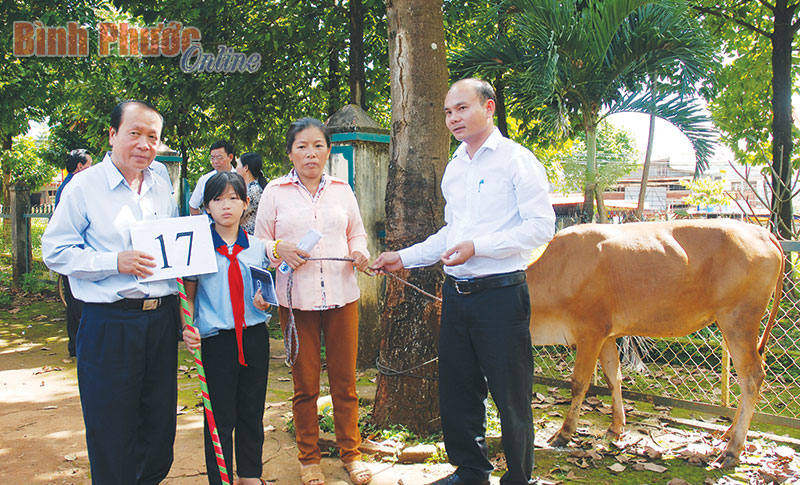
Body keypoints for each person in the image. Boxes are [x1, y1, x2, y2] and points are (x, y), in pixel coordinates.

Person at [372, 78, 556, 485]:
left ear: (489, 108)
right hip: (456, 295)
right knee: (458, 389)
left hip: (501, 296)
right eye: (448, 112)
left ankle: (518, 478)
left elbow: (543, 226)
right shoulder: (456, 168)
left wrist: (480, 246)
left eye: (462, 108)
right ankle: (471, 473)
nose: (453, 118)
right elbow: (450, 234)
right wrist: (401, 258)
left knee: (511, 396)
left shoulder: (516, 160)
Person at [42, 100, 180, 484]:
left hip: (161, 320)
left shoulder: (160, 183)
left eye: (152, 137)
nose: (143, 144)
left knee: (158, 429)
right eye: (134, 133)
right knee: (111, 428)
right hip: (110, 323)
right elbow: (54, 250)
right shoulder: (84, 187)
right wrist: (112, 262)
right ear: (113, 134)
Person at [254, 117, 373, 485]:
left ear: (328, 150)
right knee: (305, 385)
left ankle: (351, 454)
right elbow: (258, 247)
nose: (310, 153)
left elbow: (357, 233)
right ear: (290, 152)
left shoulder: (342, 189)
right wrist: (279, 249)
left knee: (345, 382)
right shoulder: (274, 191)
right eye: (302, 146)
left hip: (342, 296)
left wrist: (360, 253)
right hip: (296, 301)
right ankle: (309, 459)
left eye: (318, 145)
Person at [182, 171, 273, 485]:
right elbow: (188, 298)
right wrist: (187, 327)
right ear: (207, 206)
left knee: (251, 409)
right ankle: (220, 478)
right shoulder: (196, 248)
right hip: (217, 340)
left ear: (246, 204)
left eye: (234, 198)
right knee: (219, 416)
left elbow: (264, 294)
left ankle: (250, 474)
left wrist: (265, 304)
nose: (226, 206)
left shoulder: (257, 248)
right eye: (218, 199)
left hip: (254, 337)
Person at [54, 148, 93, 357]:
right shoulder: (74, 187)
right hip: (76, 256)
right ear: (80, 167)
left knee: (74, 305)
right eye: (89, 165)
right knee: (78, 306)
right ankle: (78, 347)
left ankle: (75, 347)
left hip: (75, 255)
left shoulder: (67, 185)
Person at [190, 140, 235, 215]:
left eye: (219, 157)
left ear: (230, 157)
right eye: (212, 158)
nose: (216, 161)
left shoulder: (240, 178)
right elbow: (193, 206)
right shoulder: (205, 180)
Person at [236, 152, 267, 235]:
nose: (236, 169)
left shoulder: (253, 190)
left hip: (250, 235)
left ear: (245, 168)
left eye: (238, 165)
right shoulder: (249, 187)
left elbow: (239, 215)